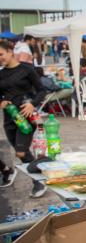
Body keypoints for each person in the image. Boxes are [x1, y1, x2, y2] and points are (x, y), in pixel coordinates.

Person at [0, 40, 47, 198]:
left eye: (1, 54)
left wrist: (32, 104)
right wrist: (2, 102)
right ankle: (40, 173)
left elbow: (42, 90)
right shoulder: (1, 74)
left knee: (20, 153)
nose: (0, 58)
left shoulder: (26, 69)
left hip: (26, 118)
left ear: (10, 51)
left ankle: (38, 182)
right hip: (9, 118)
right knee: (23, 153)